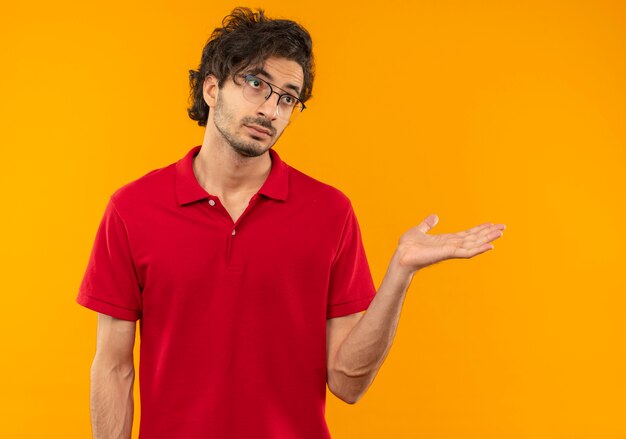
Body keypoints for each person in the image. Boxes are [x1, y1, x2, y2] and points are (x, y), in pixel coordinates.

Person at [76, 6, 506, 439]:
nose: (271, 109)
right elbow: (113, 367)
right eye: (256, 83)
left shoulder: (330, 212)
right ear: (211, 88)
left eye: (287, 97)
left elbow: (347, 382)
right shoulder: (133, 209)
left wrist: (400, 273)